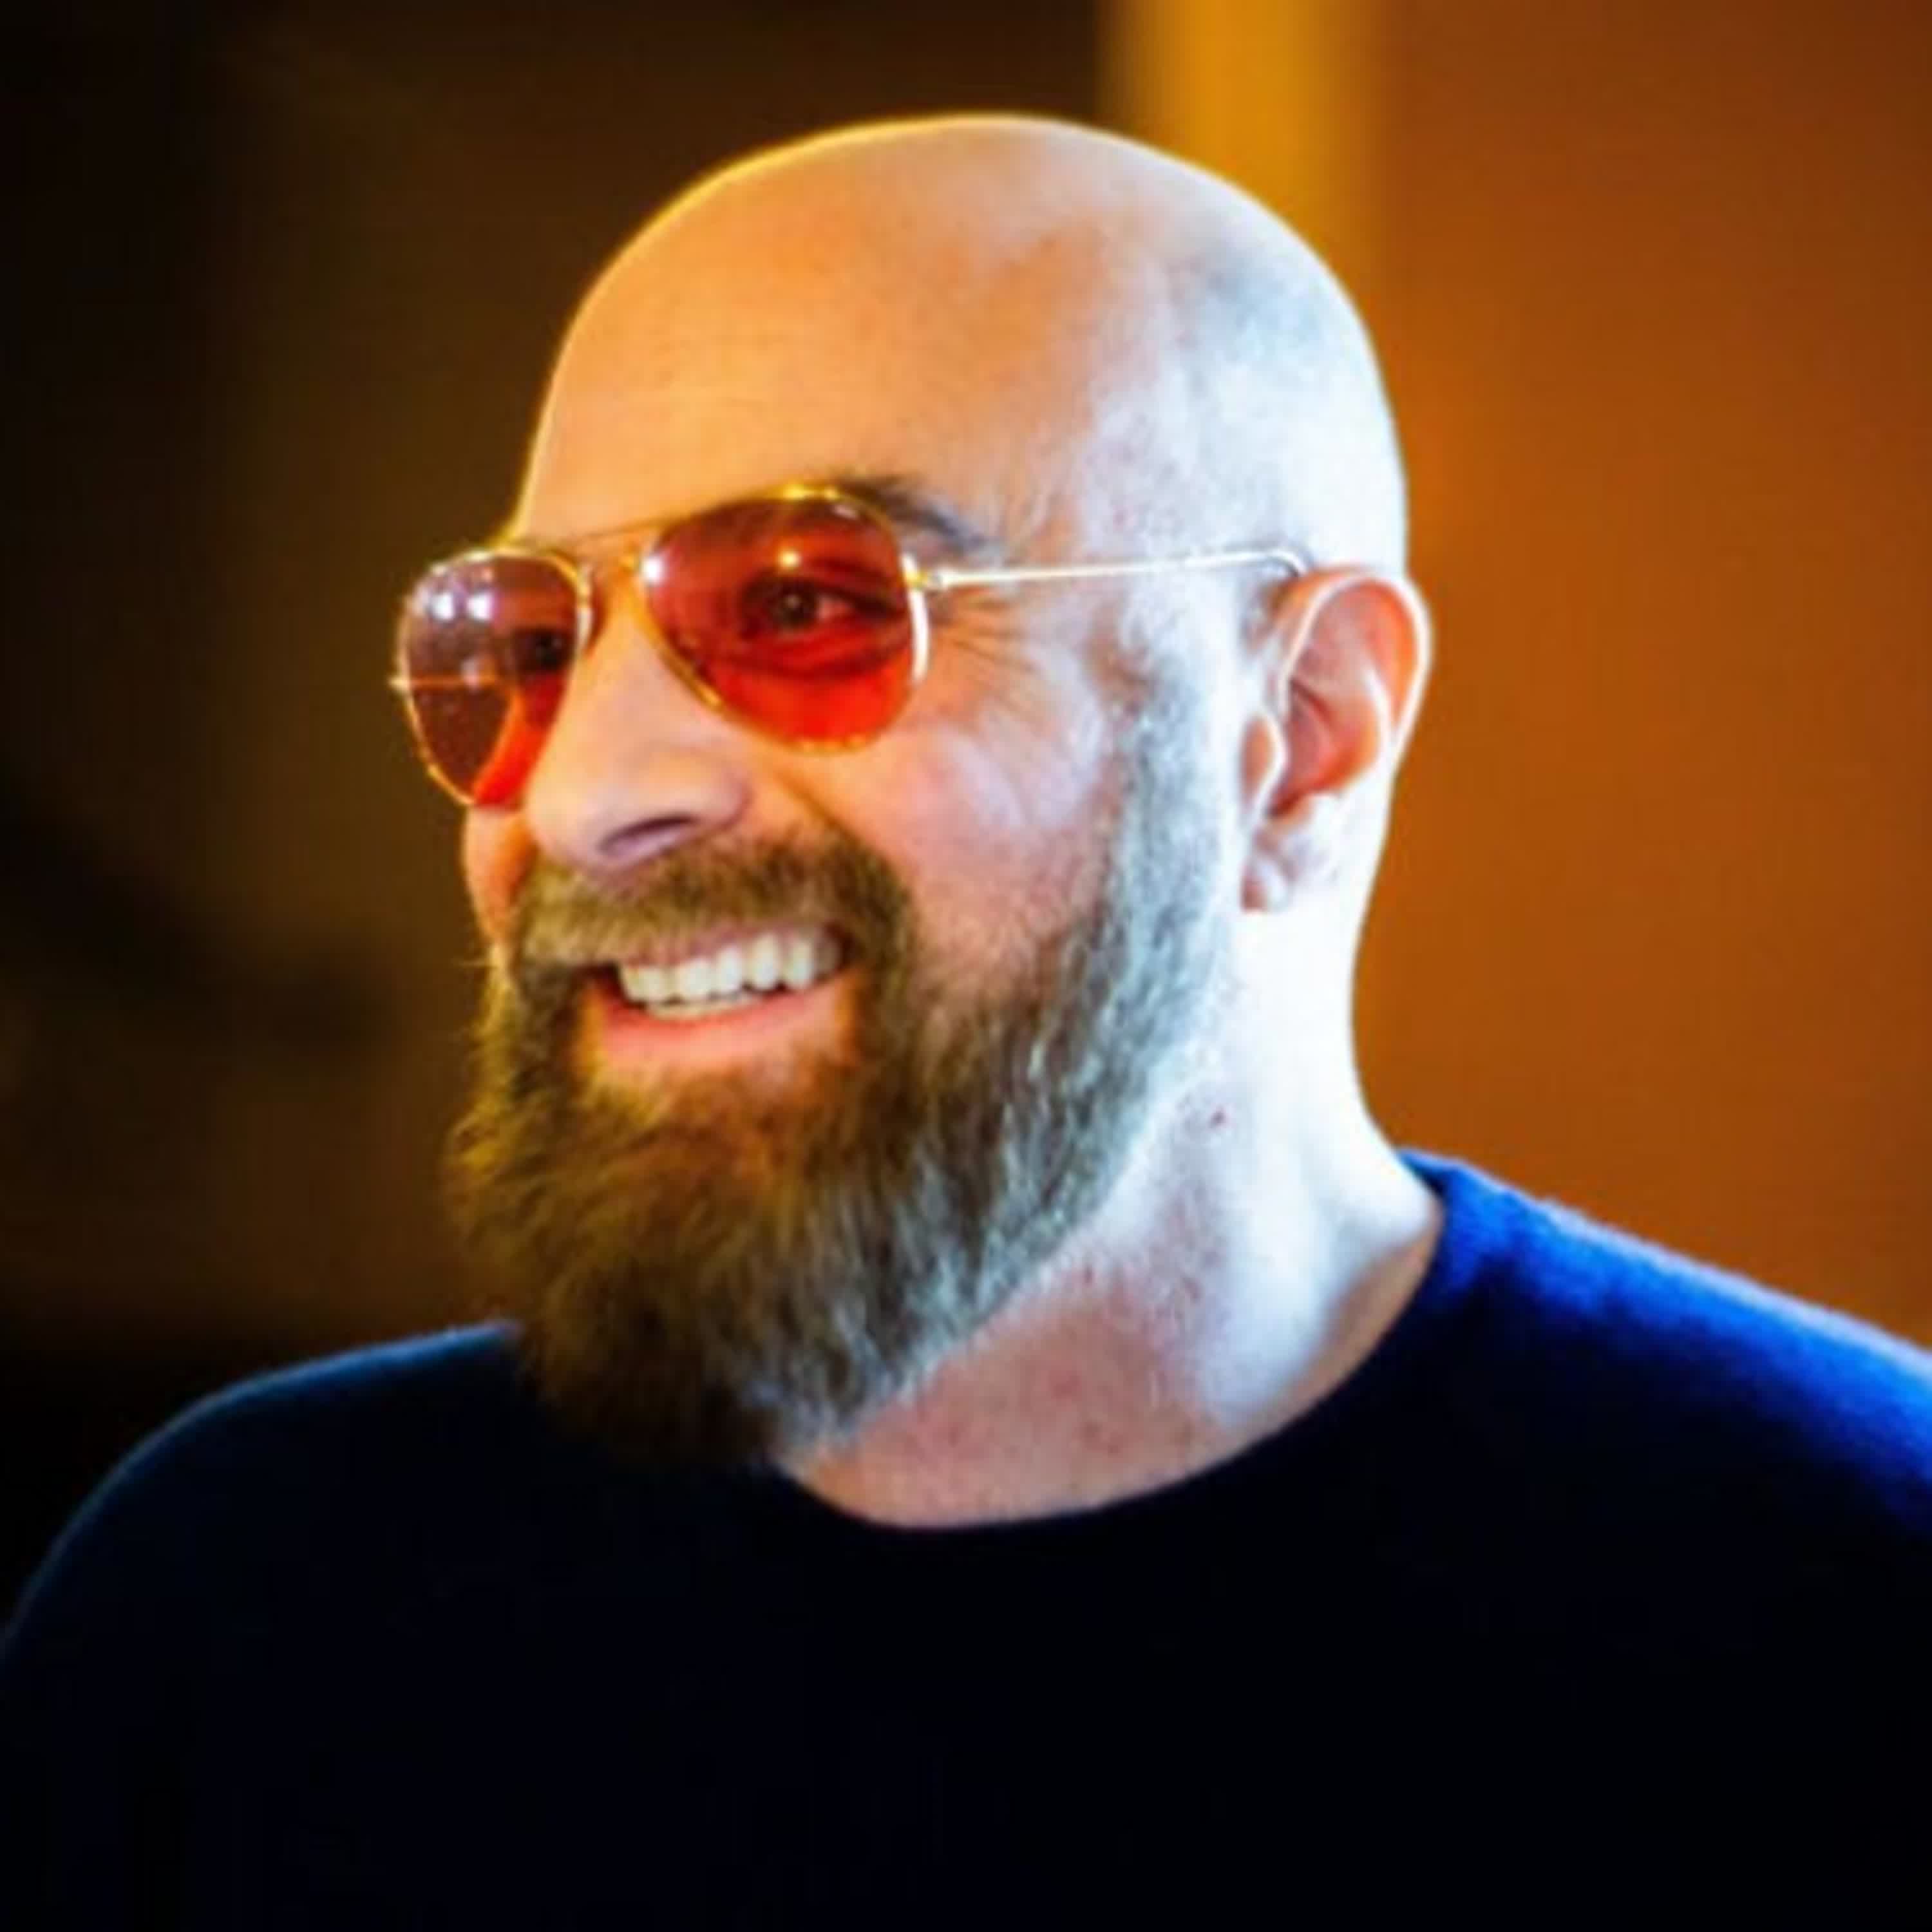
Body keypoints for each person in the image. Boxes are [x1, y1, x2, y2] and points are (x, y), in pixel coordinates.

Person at [3, 113, 1928, 1920]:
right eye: (522, 650)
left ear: (1300, 734)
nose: (582, 797)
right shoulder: (232, 1622)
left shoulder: (1847, 1601)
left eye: (810, 607)